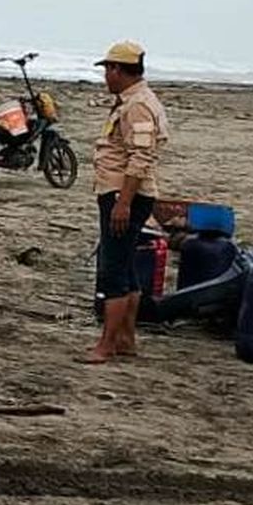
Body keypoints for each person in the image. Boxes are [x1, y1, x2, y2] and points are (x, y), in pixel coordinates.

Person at [86, 41, 169, 364]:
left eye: (108, 70)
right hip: (125, 193)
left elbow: (141, 156)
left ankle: (106, 345)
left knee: (113, 271)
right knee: (128, 270)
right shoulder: (134, 101)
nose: (106, 76)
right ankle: (125, 339)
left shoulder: (137, 105)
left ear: (118, 70)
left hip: (125, 194)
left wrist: (123, 202)